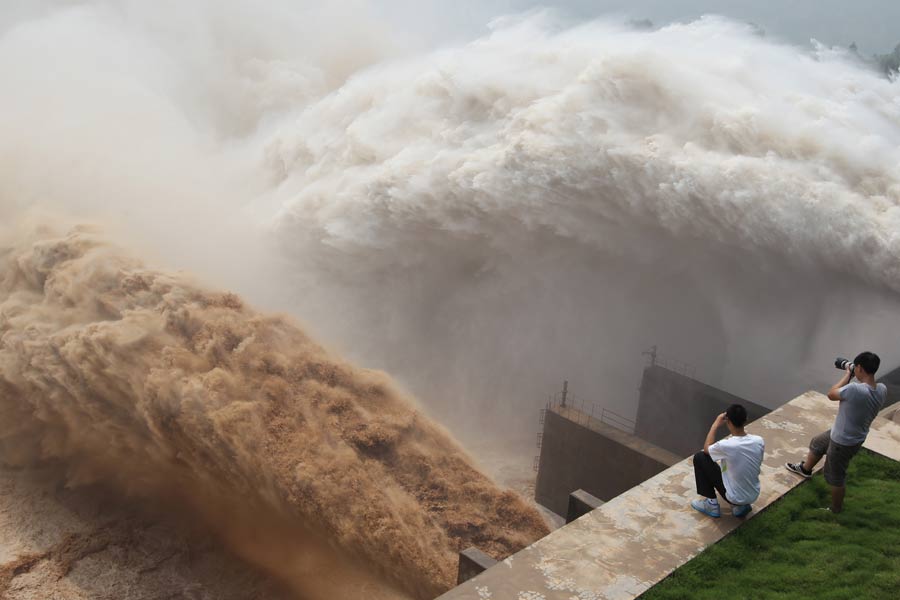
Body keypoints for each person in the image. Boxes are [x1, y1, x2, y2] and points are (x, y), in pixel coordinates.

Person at [786, 351, 887, 513]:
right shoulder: (882, 389)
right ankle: (805, 469)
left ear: (859, 368)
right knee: (817, 443)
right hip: (850, 434)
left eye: (856, 367)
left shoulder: (856, 389)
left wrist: (847, 375)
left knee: (835, 476)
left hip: (843, 441)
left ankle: (835, 509)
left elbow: (831, 394)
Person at [690, 404, 765, 518]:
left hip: (735, 497)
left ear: (728, 421)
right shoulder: (759, 440)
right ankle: (740, 506)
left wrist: (715, 424)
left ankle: (712, 505)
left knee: (700, 457)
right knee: (733, 468)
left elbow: (706, 449)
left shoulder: (727, 445)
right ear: (746, 419)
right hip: (753, 494)